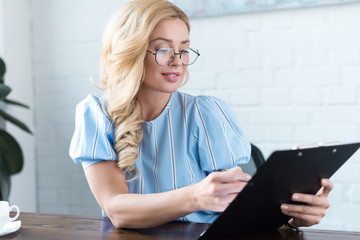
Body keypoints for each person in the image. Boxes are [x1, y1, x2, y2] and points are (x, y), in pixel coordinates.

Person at [69, 0, 332, 230]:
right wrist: (196, 196)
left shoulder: (205, 113)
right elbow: (116, 209)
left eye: (184, 49)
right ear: (131, 51)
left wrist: (291, 217)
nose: (178, 61)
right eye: (163, 49)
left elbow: (237, 208)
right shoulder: (97, 114)